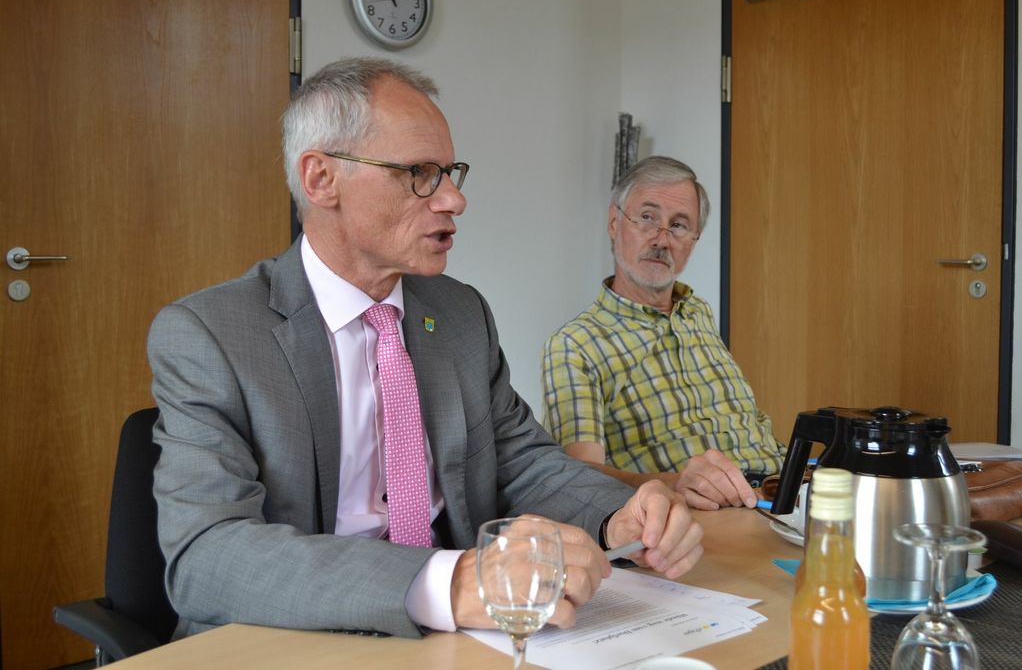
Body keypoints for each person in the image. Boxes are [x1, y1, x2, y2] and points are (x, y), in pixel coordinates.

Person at [147, 59, 702, 640]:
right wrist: (452, 583)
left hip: (454, 639)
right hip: (291, 637)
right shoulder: (210, 335)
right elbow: (207, 556)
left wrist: (618, 514)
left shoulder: (459, 313)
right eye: (420, 173)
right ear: (320, 180)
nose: (454, 201)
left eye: (450, 172)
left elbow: (522, 460)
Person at [541, 156, 784, 511]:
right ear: (614, 222)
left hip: (781, 496)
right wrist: (676, 486)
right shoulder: (575, 345)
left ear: (694, 240)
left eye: (680, 225)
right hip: (700, 516)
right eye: (647, 218)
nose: (662, 239)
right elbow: (579, 477)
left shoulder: (696, 312)